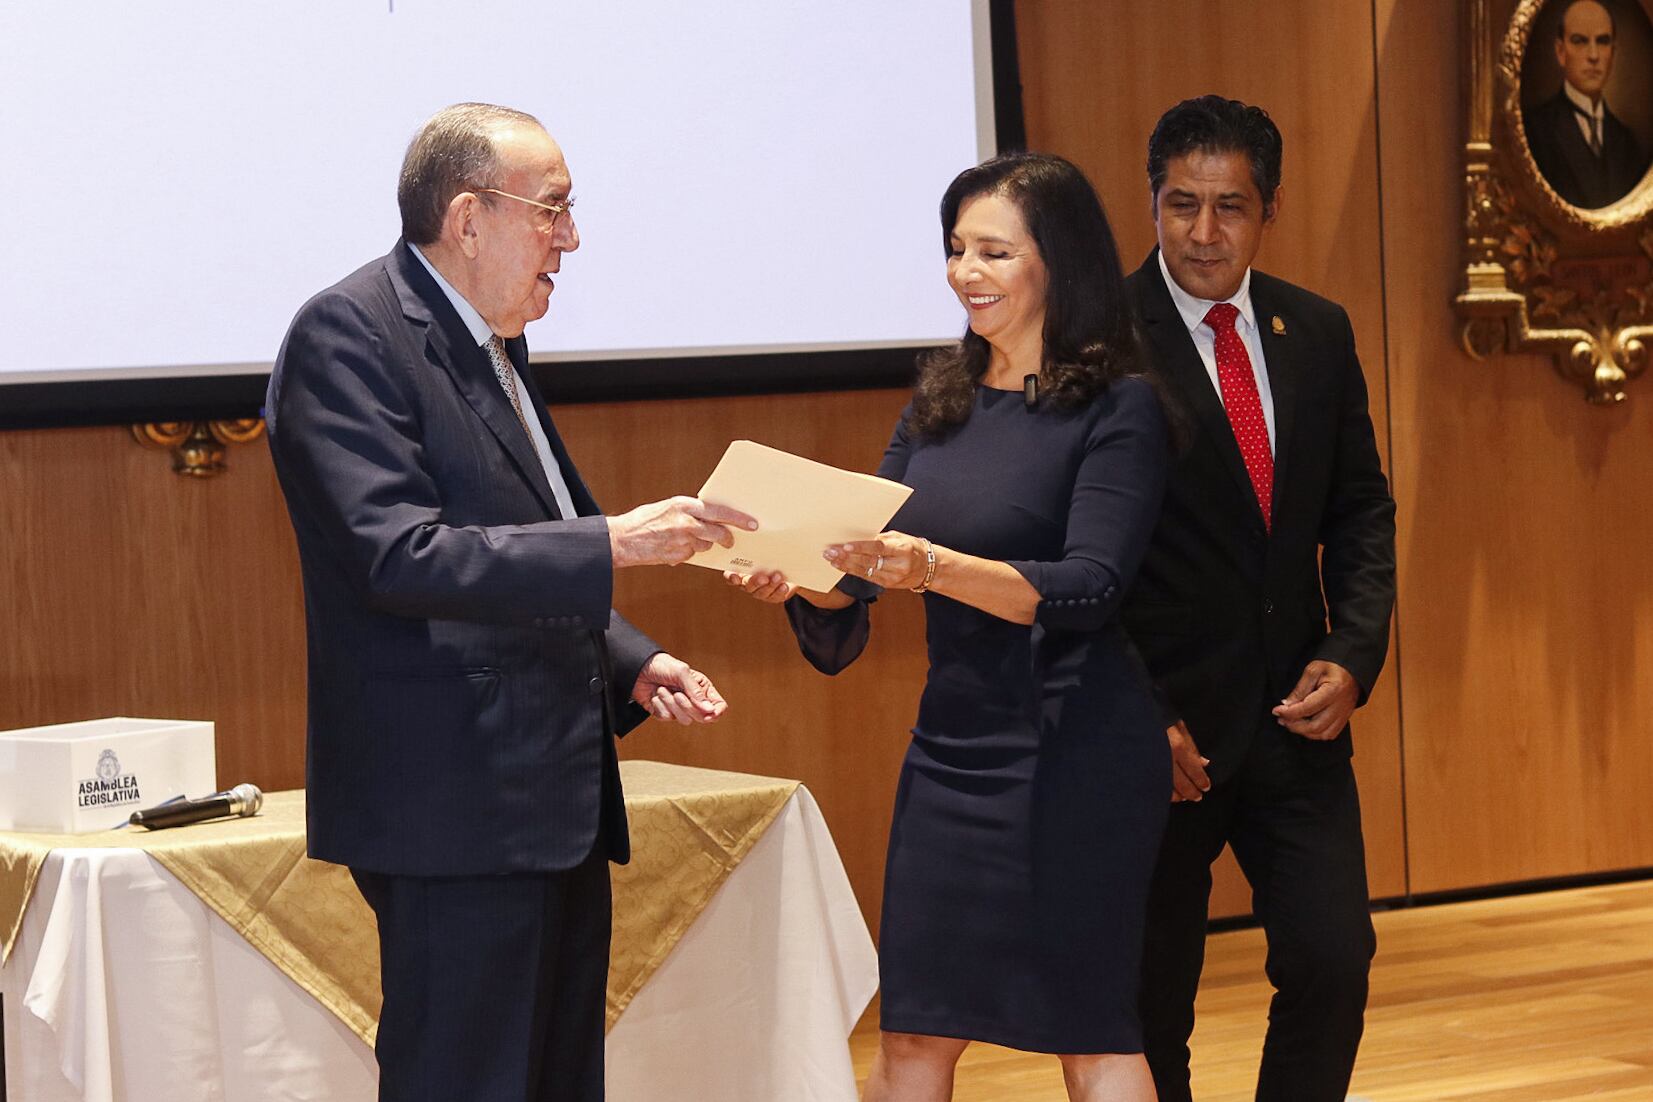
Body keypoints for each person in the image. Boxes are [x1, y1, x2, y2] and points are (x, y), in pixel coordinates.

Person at [265, 102, 755, 1102]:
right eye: (555, 211)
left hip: (547, 794)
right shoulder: (348, 334)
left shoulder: (491, 343)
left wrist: (632, 657)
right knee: (468, 1080)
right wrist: (612, 540)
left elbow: (526, 530)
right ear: (469, 216)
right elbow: (397, 554)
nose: (570, 239)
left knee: (555, 1079)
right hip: (452, 802)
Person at [729, 152, 1170, 1101]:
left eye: (994, 252)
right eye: (956, 249)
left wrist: (933, 568)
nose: (965, 272)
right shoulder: (940, 400)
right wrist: (800, 579)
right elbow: (861, 573)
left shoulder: (1118, 407)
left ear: (1057, 262)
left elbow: (1086, 586)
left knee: (1088, 1031)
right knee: (914, 1033)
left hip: (1075, 747)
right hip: (953, 747)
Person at [1120, 95, 1397, 1102]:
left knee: (1334, 960)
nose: (1204, 232)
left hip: (1296, 720)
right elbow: (1074, 561)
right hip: (1163, 738)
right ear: (1151, 203)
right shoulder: (1100, 343)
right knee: (1151, 1009)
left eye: (1229, 206)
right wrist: (1140, 712)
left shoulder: (1315, 330)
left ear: (1267, 209)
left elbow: (1361, 509)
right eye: (1181, 203)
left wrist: (1356, 650)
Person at [1523, 0, 1650, 208]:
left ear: (1613, 52)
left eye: (1602, 41)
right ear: (1560, 52)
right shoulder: (1536, 131)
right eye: (1580, 41)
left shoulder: (1627, 143)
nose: (1593, 56)